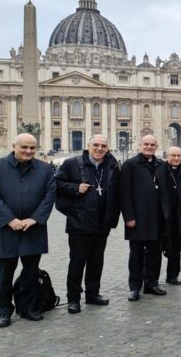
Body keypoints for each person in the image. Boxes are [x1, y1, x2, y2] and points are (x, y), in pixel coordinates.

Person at [0, 134, 56, 328]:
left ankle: (28, 307)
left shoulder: (45, 168)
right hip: (7, 228)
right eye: (24, 147)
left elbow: (49, 196)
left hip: (33, 227)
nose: (28, 151)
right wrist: (10, 219)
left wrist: (35, 218)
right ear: (13, 146)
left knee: (31, 272)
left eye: (32, 148)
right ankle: (3, 311)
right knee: (4, 273)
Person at [55, 135, 120, 314]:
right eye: (96, 145)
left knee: (96, 261)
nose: (99, 149)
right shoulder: (72, 164)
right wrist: (75, 189)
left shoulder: (112, 165)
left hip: (102, 223)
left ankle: (93, 294)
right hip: (79, 223)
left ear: (108, 148)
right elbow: (57, 184)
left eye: (103, 146)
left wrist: (112, 217)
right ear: (88, 146)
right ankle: (73, 299)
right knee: (77, 262)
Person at [120, 135, 167, 301]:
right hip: (137, 217)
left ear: (156, 146)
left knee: (155, 253)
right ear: (140, 145)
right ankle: (134, 287)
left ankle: (151, 283)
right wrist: (129, 216)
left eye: (152, 144)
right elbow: (124, 193)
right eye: (146, 144)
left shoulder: (161, 165)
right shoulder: (130, 165)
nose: (149, 147)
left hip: (157, 217)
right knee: (136, 255)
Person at [157, 146, 181, 286]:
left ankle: (172, 275)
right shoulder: (159, 171)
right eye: (173, 155)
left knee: (176, 248)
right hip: (161, 216)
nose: (176, 158)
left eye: (179, 156)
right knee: (156, 248)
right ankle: (150, 278)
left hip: (179, 216)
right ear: (167, 156)